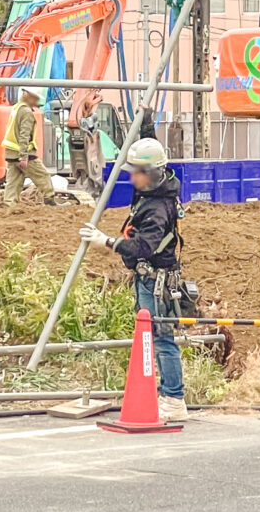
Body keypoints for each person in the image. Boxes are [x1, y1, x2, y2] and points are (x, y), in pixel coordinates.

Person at [78, 138, 188, 422]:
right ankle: (164, 395)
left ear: (151, 173)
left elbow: (143, 247)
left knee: (163, 340)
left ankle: (174, 399)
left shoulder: (157, 208)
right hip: (148, 278)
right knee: (153, 338)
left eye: (136, 171)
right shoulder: (152, 195)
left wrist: (108, 242)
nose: (131, 176)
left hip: (157, 281)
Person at [2, 87, 58, 207]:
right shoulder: (26, 112)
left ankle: (9, 205)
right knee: (42, 175)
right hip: (22, 153)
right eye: (35, 98)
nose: (37, 101)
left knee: (13, 182)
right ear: (27, 95)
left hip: (11, 153)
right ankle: (50, 200)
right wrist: (23, 156)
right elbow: (24, 135)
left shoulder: (17, 108)